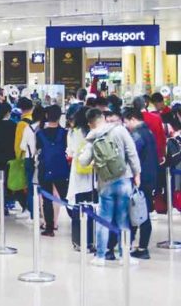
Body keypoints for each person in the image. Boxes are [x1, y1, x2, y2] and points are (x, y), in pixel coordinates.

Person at [79, 108, 141, 266]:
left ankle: (100, 256)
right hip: (124, 179)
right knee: (123, 219)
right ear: (103, 118)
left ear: (90, 123)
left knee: (104, 219)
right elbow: (132, 152)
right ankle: (123, 255)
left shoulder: (92, 137)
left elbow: (83, 161)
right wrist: (137, 174)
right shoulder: (120, 130)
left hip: (105, 182)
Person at [122, 107, 158, 260]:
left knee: (141, 213)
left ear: (132, 119)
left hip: (141, 178)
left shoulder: (136, 135)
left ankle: (142, 247)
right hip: (150, 177)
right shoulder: (148, 132)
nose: (125, 125)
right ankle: (137, 244)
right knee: (142, 211)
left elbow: (131, 155)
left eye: (126, 122)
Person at [36, 105, 70, 237]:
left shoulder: (40, 134)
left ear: (46, 116)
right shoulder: (65, 133)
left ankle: (49, 228)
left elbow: (37, 150)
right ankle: (78, 223)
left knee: (47, 199)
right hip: (61, 168)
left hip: (45, 169)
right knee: (66, 197)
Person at [66, 106, 95, 252]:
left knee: (78, 207)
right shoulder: (93, 133)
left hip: (77, 173)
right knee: (91, 207)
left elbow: (69, 152)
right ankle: (91, 239)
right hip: (93, 175)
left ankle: (79, 240)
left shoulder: (73, 133)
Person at [14, 97, 37, 219]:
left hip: (25, 158)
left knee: (26, 185)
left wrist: (17, 159)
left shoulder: (22, 124)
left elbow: (18, 146)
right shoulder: (37, 121)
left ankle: (28, 209)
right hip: (37, 158)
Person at [132, 96, 166, 164]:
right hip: (155, 153)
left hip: (139, 155)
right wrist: (162, 154)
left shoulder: (132, 120)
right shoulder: (156, 118)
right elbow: (161, 137)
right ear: (145, 104)